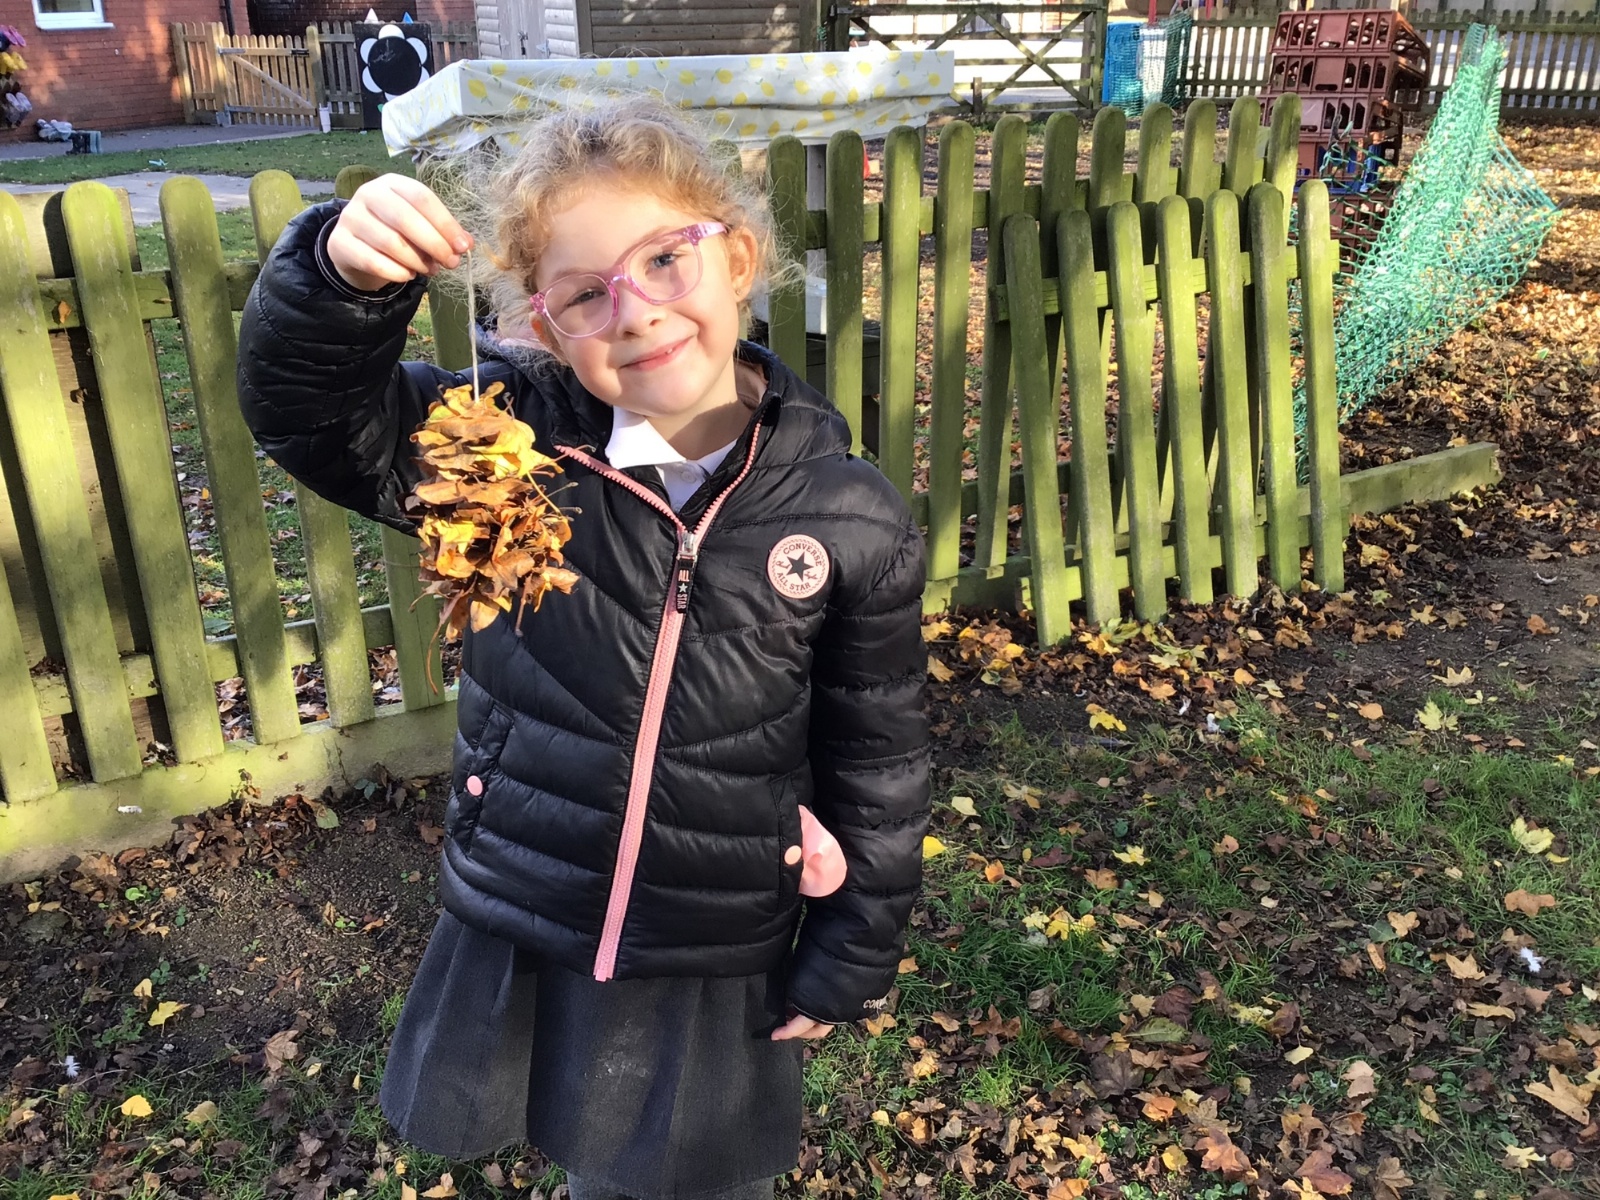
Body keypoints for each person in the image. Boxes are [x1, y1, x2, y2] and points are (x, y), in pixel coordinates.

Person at [236, 95, 930, 1200]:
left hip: (710, 936)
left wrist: (853, 945)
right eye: (584, 294)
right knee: (592, 1157)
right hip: (537, 895)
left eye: (664, 259)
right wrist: (337, 281)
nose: (636, 312)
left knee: (697, 1181)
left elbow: (878, 755)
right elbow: (313, 420)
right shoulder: (501, 450)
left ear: (738, 258)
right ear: (542, 327)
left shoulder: (850, 516)